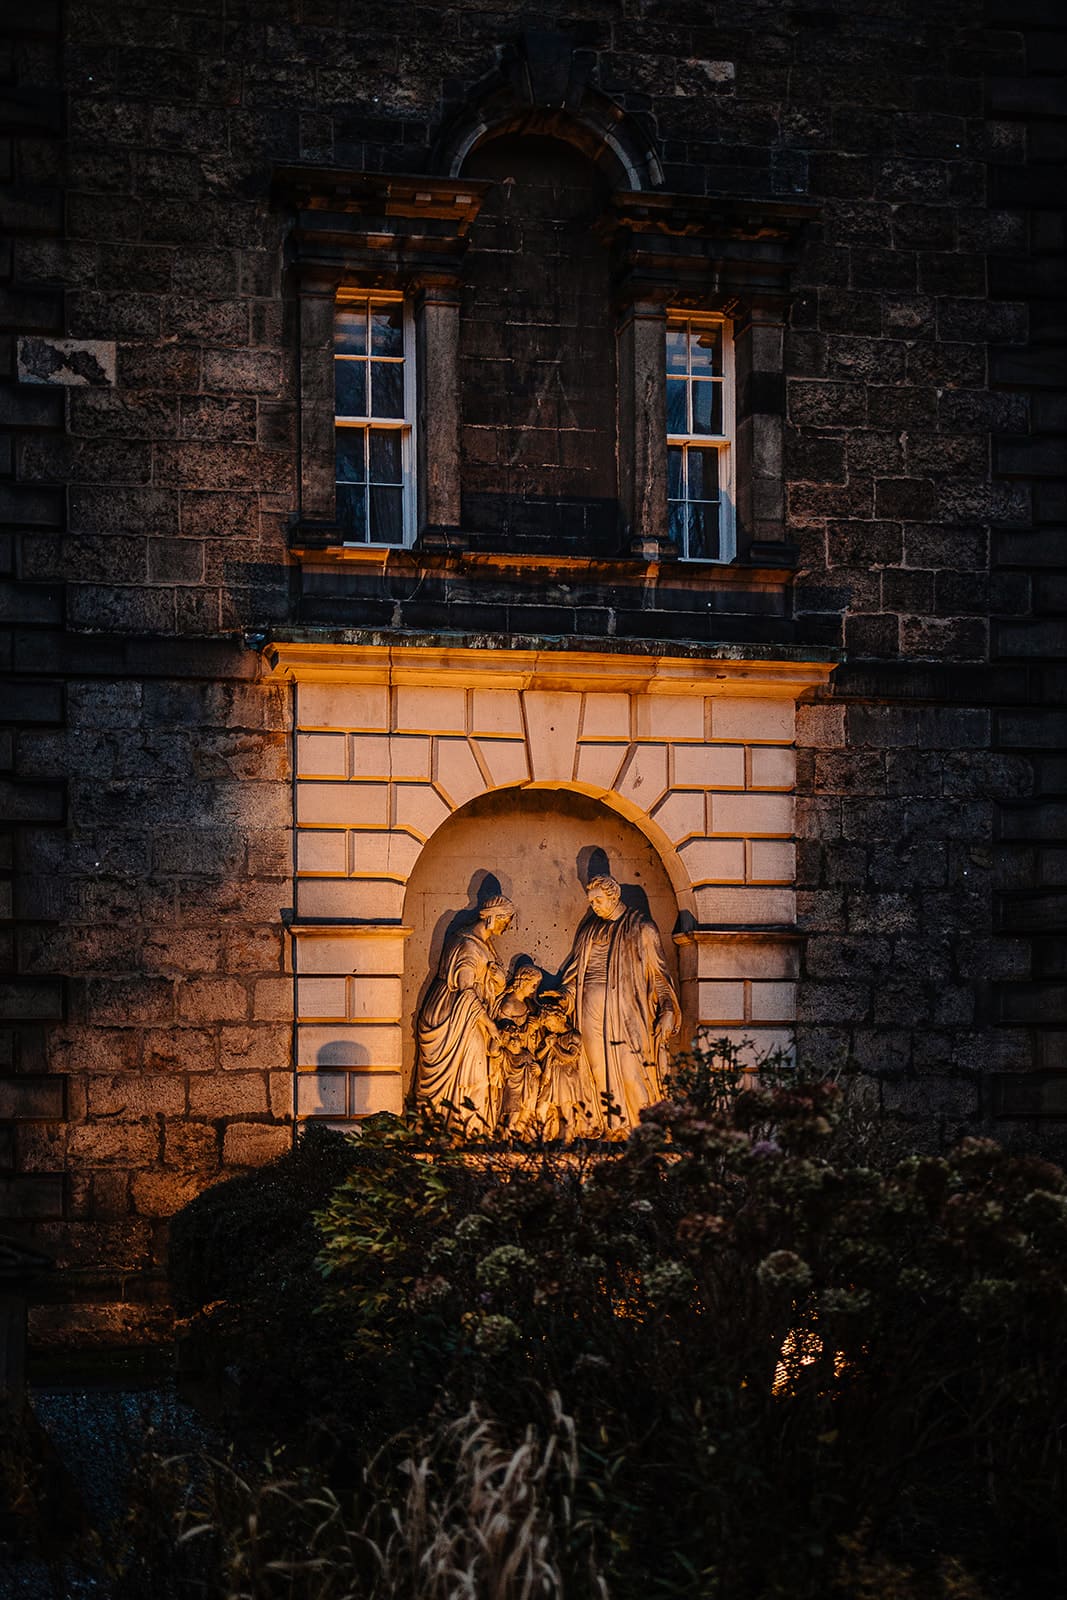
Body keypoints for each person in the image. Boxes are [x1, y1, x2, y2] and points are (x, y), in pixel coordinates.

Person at [559, 874, 679, 1132]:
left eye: (599, 900)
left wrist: (668, 1009)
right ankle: (613, 1127)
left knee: (632, 1070)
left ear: (614, 896)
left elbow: (659, 974)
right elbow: (576, 972)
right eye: (591, 902)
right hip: (589, 1010)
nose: (595, 906)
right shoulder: (590, 928)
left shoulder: (642, 928)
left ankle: (646, 1130)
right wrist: (564, 997)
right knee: (596, 1069)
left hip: (627, 1011)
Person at [415, 895, 514, 1130]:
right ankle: (463, 1130)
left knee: (475, 1072)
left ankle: (465, 1129)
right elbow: (466, 991)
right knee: (475, 1073)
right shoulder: (467, 945)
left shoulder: (483, 943)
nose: (507, 926)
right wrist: (490, 1025)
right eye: (505, 920)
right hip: (454, 1015)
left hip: (469, 1014)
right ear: (492, 917)